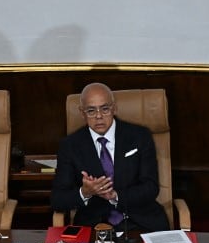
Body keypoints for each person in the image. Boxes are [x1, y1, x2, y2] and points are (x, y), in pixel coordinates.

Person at [50, 83, 169, 232]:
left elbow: (151, 187)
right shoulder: (70, 146)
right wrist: (85, 192)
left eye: (105, 109)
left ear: (114, 108)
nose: (99, 116)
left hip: (142, 222)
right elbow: (58, 200)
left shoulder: (140, 136)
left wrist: (115, 196)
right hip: (94, 226)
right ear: (82, 113)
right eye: (91, 110)